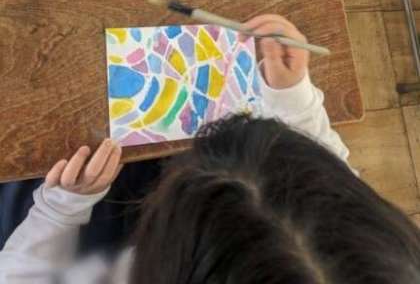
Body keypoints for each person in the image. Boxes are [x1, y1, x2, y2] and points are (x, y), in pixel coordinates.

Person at [1, 15, 419, 283]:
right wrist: (293, 99)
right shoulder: (369, 258)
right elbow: (327, 185)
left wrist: (58, 209)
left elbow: (22, 273)